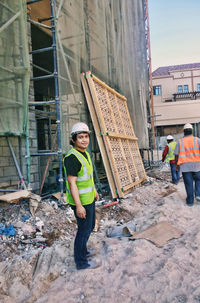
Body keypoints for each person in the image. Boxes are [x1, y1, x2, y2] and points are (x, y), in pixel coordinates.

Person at [63, 122, 101, 270]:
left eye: (86, 136)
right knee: (83, 230)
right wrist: (78, 206)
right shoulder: (72, 158)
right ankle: (81, 262)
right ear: (74, 139)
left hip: (89, 198)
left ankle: (83, 251)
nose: (84, 140)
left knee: (90, 226)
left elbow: (88, 177)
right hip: (81, 202)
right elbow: (72, 183)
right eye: (80, 137)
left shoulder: (84, 153)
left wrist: (94, 191)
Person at [175, 123, 200, 206]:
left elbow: (176, 155)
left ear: (184, 132)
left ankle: (190, 202)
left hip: (185, 167)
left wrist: (177, 165)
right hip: (197, 166)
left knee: (188, 184)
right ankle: (198, 194)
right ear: (192, 131)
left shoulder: (179, 141)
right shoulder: (197, 140)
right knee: (198, 180)